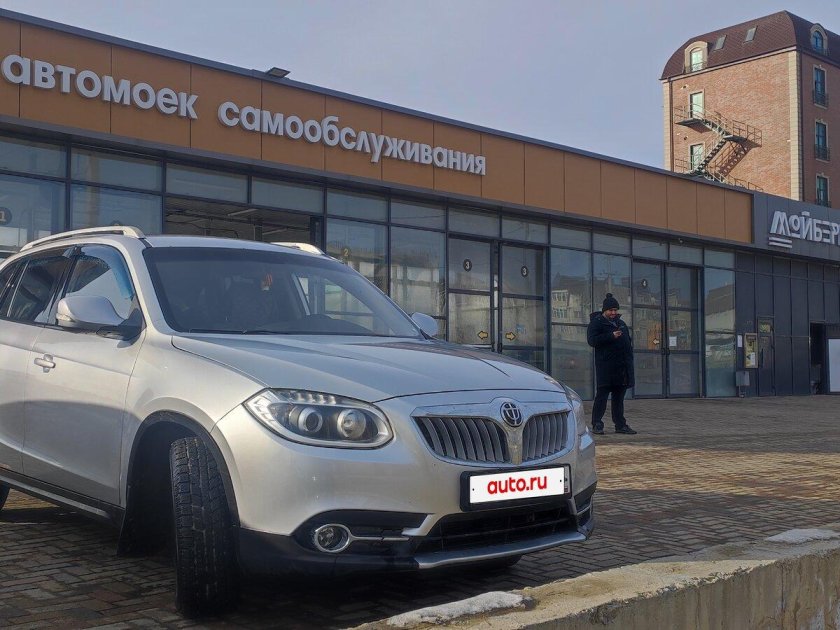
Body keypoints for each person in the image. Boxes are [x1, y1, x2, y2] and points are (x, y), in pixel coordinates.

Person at [587, 293, 637, 435]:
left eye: (615, 310)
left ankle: (620, 425)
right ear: (605, 310)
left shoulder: (621, 324)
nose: (614, 313)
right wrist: (611, 336)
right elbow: (592, 341)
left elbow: (628, 343)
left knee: (618, 399)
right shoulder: (597, 323)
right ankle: (597, 424)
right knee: (602, 397)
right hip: (606, 368)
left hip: (622, 368)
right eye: (611, 310)